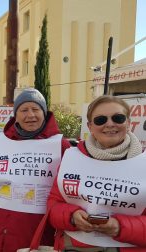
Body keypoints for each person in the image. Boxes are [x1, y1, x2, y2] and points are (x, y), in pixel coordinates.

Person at [48, 95, 146, 251]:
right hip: (75, 247)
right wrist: (71, 217)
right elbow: (53, 205)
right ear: (90, 126)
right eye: (101, 120)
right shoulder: (72, 157)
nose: (110, 124)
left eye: (118, 118)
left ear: (128, 123)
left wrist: (121, 227)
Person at [0, 88, 71, 252]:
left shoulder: (60, 145)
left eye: (35, 109)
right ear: (15, 114)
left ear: (44, 112)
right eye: (24, 110)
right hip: (2, 228)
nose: (30, 115)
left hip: (39, 229)